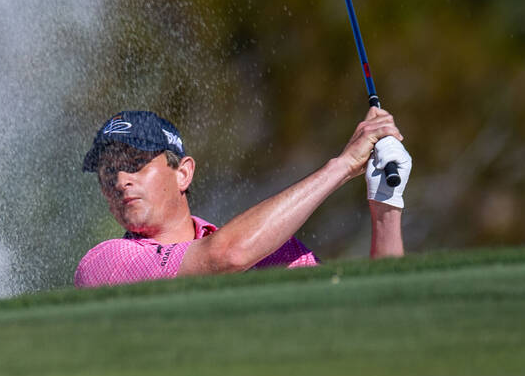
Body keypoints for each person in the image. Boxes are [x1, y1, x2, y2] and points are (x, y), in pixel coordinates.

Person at [74, 108, 412, 287]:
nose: (120, 180)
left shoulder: (276, 252)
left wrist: (387, 205)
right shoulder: (106, 262)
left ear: (183, 173)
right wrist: (341, 166)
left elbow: (375, 313)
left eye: (135, 164)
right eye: (108, 173)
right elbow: (227, 256)